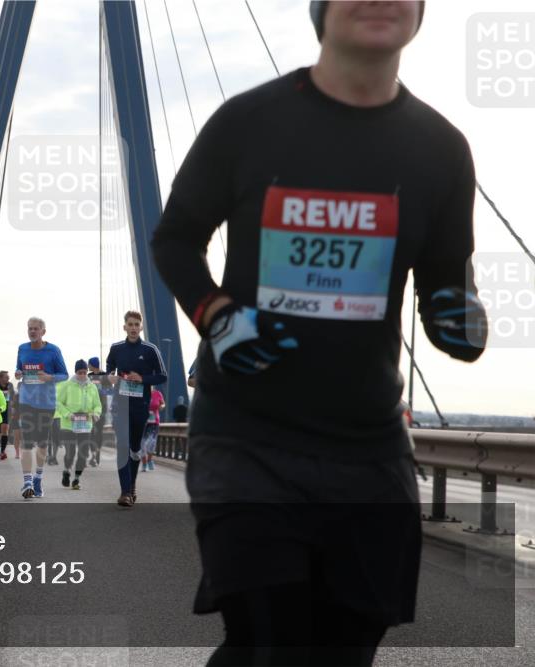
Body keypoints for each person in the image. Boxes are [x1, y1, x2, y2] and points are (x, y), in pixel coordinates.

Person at [150, 3, 487, 664]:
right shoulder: (249, 123)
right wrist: (218, 317)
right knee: (271, 638)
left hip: (368, 448)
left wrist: (457, 317)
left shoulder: (441, 149)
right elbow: (176, 239)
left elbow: (446, 284)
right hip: (247, 437)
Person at [105, 311, 167, 507]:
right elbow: (109, 368)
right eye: (130, 324)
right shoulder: (116, 348)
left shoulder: (150, 349)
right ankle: (125, 493)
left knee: (134, 448)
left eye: (136, 325)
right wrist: (110, 376)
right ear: (124, 327)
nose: (133, 328)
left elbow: (162, 376)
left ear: (140, 327)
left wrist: (142, 379)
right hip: (120, 405)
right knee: (123, 447)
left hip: (141, 406)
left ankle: (131, 486)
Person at [15, 316, 68, 499]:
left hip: (46, 403)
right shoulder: (22, 348)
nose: (32, 331)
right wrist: (18, 373)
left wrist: (49, 377)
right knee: (27, 442)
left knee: (42, 444)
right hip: (26, 401)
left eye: (36, 328)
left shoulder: (53, 351)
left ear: (43, 332)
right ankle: (27, 482)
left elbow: (64, 375)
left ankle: (38, 477)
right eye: (30, 328)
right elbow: (19, 368)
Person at [55, 360, 103, 491]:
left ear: (87, 372)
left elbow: (97, 405)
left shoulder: (92, 387)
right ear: (75, 372)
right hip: (68, 425)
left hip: (85, 425)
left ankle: (76, 479)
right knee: (70, 452)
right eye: (79, 372)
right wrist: (68, 414)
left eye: (84, 372)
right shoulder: (67, 385)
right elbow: (58, 402)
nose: (82, 375)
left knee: (83, 453)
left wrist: (96, 413)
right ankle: (66, 471)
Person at [87, 356, 109, 467]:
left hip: (102, 408)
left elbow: (109, 389)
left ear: (92, 365)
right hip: (90, 408)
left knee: (99, 432)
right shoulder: (88, 376)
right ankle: (93, 455)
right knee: (90, 431)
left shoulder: (105, 376)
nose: (88, 366)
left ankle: (97, 453)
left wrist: (99, 390)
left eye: (89, 364)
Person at [141, 388, 165, 471]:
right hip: (142, 422)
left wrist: (161, 407)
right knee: (142, 443)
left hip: (154, 422)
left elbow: (163, 404)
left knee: (152, 442)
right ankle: (144, 464)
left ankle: (149, 460)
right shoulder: (140, 392)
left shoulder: (157, 393)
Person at [0, 370, 14, 461]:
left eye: (8, 376)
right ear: (0, 378)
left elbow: (13, 398)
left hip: (7, 410)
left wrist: (13, 409)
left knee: (5, 430)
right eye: (6, 377)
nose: (8, 378)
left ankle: (2, 451)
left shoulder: (10, 385)